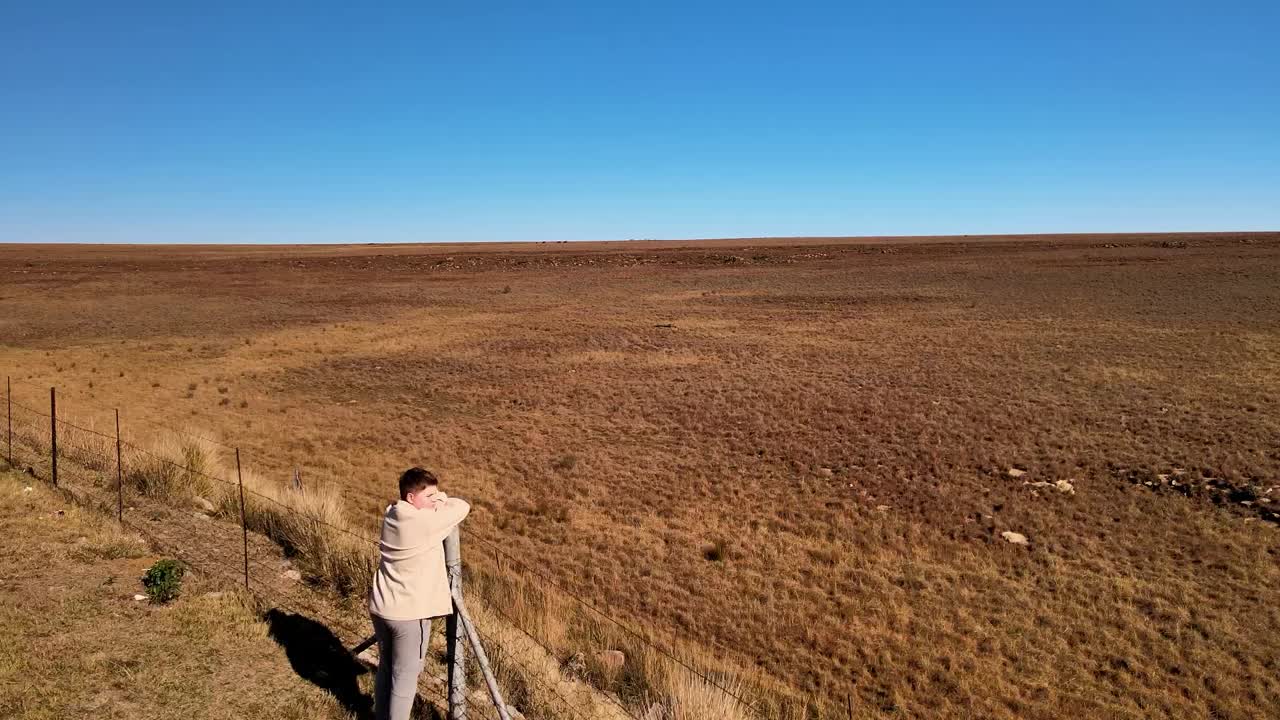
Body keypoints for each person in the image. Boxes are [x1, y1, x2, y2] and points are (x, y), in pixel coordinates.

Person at [368, 467, 470, 720]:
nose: (434, 501)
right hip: (408, 615)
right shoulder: (423, 523)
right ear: (411, 498)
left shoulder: (392, 513)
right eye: (429, 497)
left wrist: (433, 501)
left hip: (382, 607)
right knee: (405, 678)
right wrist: (443, 500)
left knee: (386, 668)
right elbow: (462, 506)